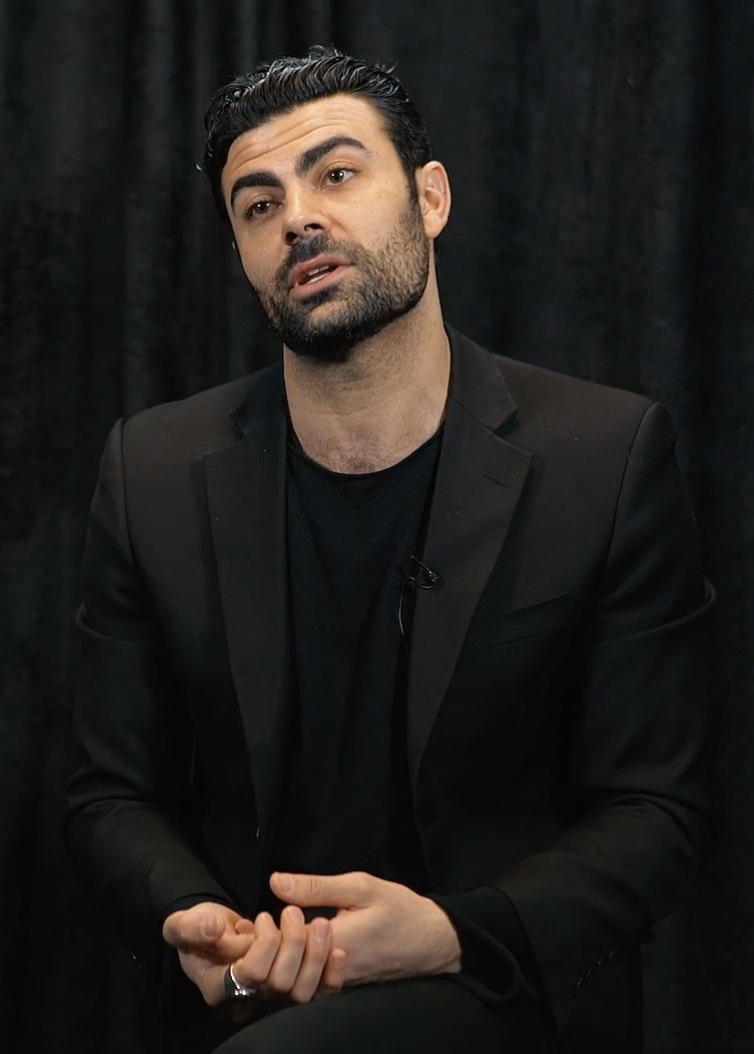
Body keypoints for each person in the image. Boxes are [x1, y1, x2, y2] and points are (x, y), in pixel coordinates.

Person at [64, 45, 714, 1054]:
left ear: (430, 198)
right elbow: (109, 791)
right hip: (252, 989)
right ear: (241, 254)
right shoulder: (148, 468)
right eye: (257, 204)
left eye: (335, 174)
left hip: (498, 979)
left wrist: (455, 930)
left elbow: (660, 808)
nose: (299, 220)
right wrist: (191, 913)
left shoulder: (605, 454)